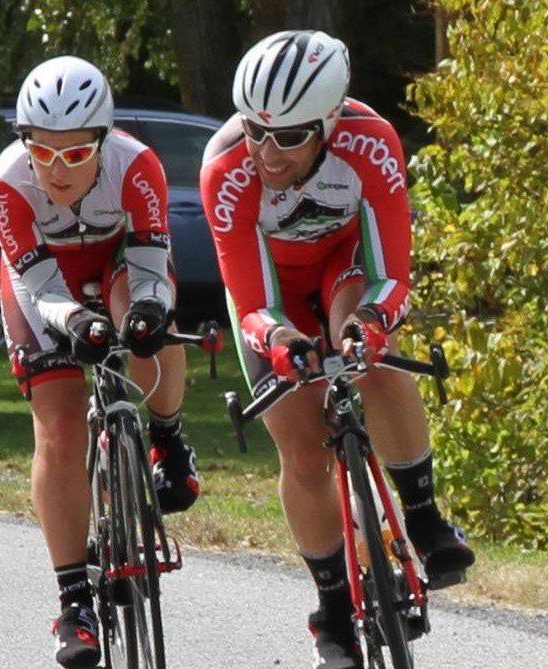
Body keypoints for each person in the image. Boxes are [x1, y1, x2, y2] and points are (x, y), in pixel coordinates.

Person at [200, 30, 475, 669]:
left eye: (289, 137)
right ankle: (331, 607)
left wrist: (371, 325)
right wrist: (279, 342)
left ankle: (424, 517)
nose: (266, 152)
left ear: (328, 123)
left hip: (343, 267)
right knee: (302, 454)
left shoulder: (370, 142)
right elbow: (251, 299)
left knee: (371, 353)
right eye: (255, 131)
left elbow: (392, 273)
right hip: (272, 291)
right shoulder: (225, 170)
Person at [0, 55, 200, 669]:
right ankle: (74, 602)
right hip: (43, 284)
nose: (57, 169)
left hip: (117, 264)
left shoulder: (138, 165)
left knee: (151, 322)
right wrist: (76, 322)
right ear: (23, 142)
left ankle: (168, 439)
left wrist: (146, 314)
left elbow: (151, 268)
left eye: (76, 153)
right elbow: (40, 288)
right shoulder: (4, 184)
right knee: (59, 425)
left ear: (103, 141)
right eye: (41, 151)